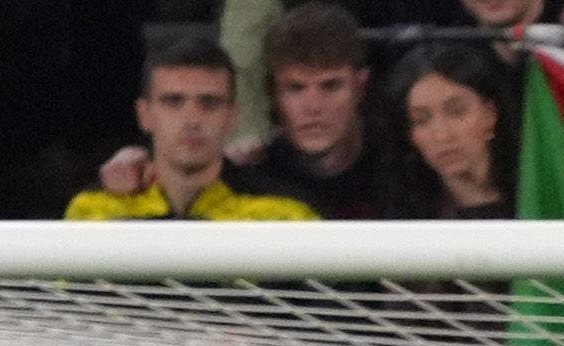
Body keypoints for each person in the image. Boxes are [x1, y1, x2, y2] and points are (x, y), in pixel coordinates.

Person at [64, 42, 319, 223]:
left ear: (232, 117)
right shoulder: (93, 210)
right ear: (144, 115)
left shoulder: (285, 213)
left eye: (209, 103)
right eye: (173, 102)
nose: (192, 119)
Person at [249, 3, 384, 220]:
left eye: (330, 86)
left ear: (360, 87)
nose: (313, 106)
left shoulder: (404, 165)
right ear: (273, 94)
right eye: (296, 88)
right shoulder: (253, 178)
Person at [387, 44, 518, 220]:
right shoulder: (403, 217)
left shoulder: (539, 193)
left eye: (456, 112)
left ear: (490, 113)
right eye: (421, 120)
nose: (442, 136)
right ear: (410, 135)